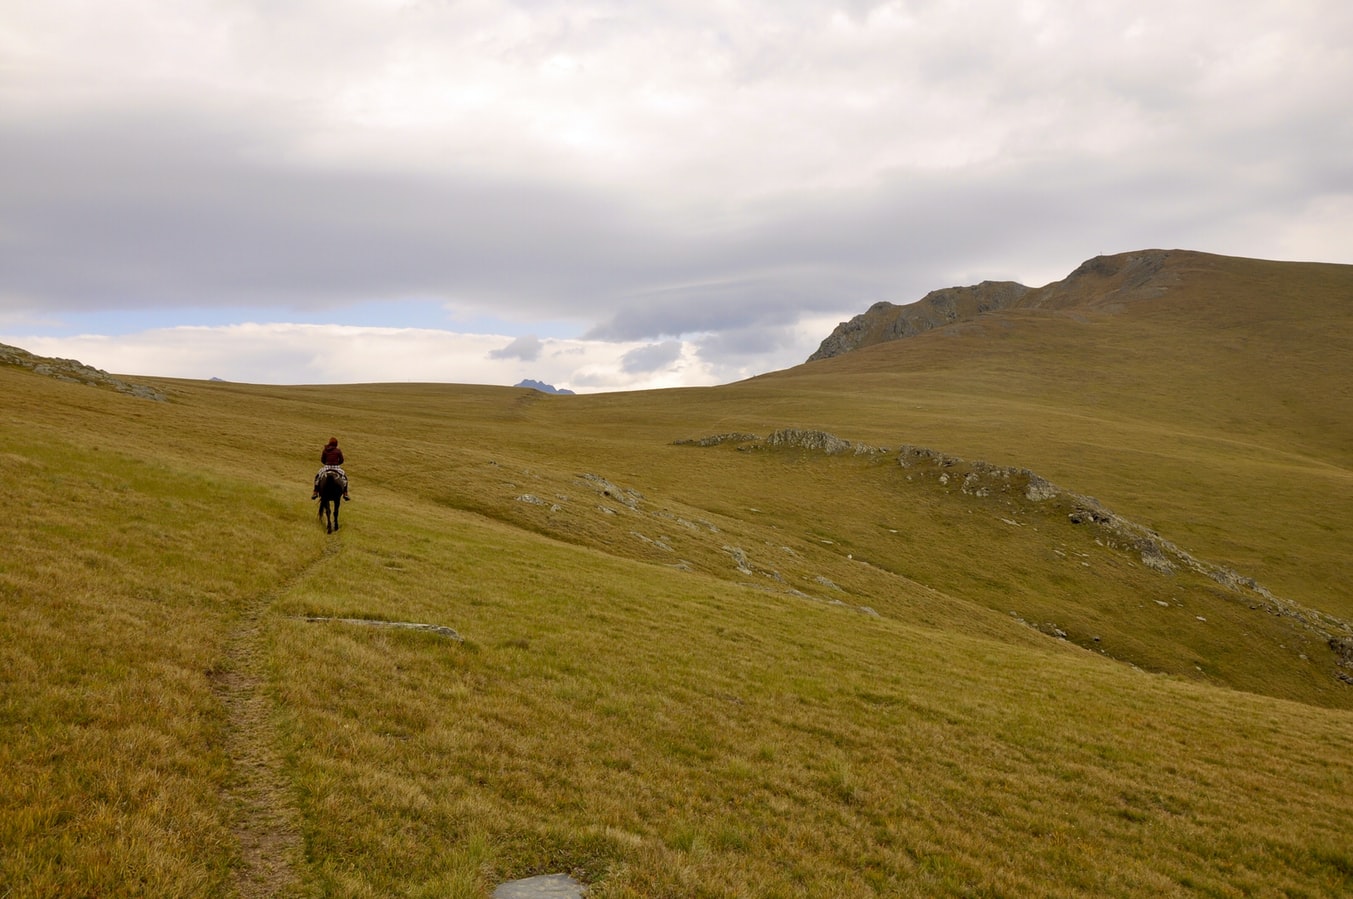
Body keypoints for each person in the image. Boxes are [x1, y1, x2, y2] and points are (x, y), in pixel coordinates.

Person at [312, 437, 350, 501]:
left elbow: (322, 460)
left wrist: (326, 463)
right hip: (336, 467)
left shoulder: (325, 450)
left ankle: (315, 492)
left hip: (327, 467)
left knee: (317, 476)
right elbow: (342, 460)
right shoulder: (338, 451)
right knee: (344, 477)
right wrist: (337, 463)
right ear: (336, 444)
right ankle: (345, 493)